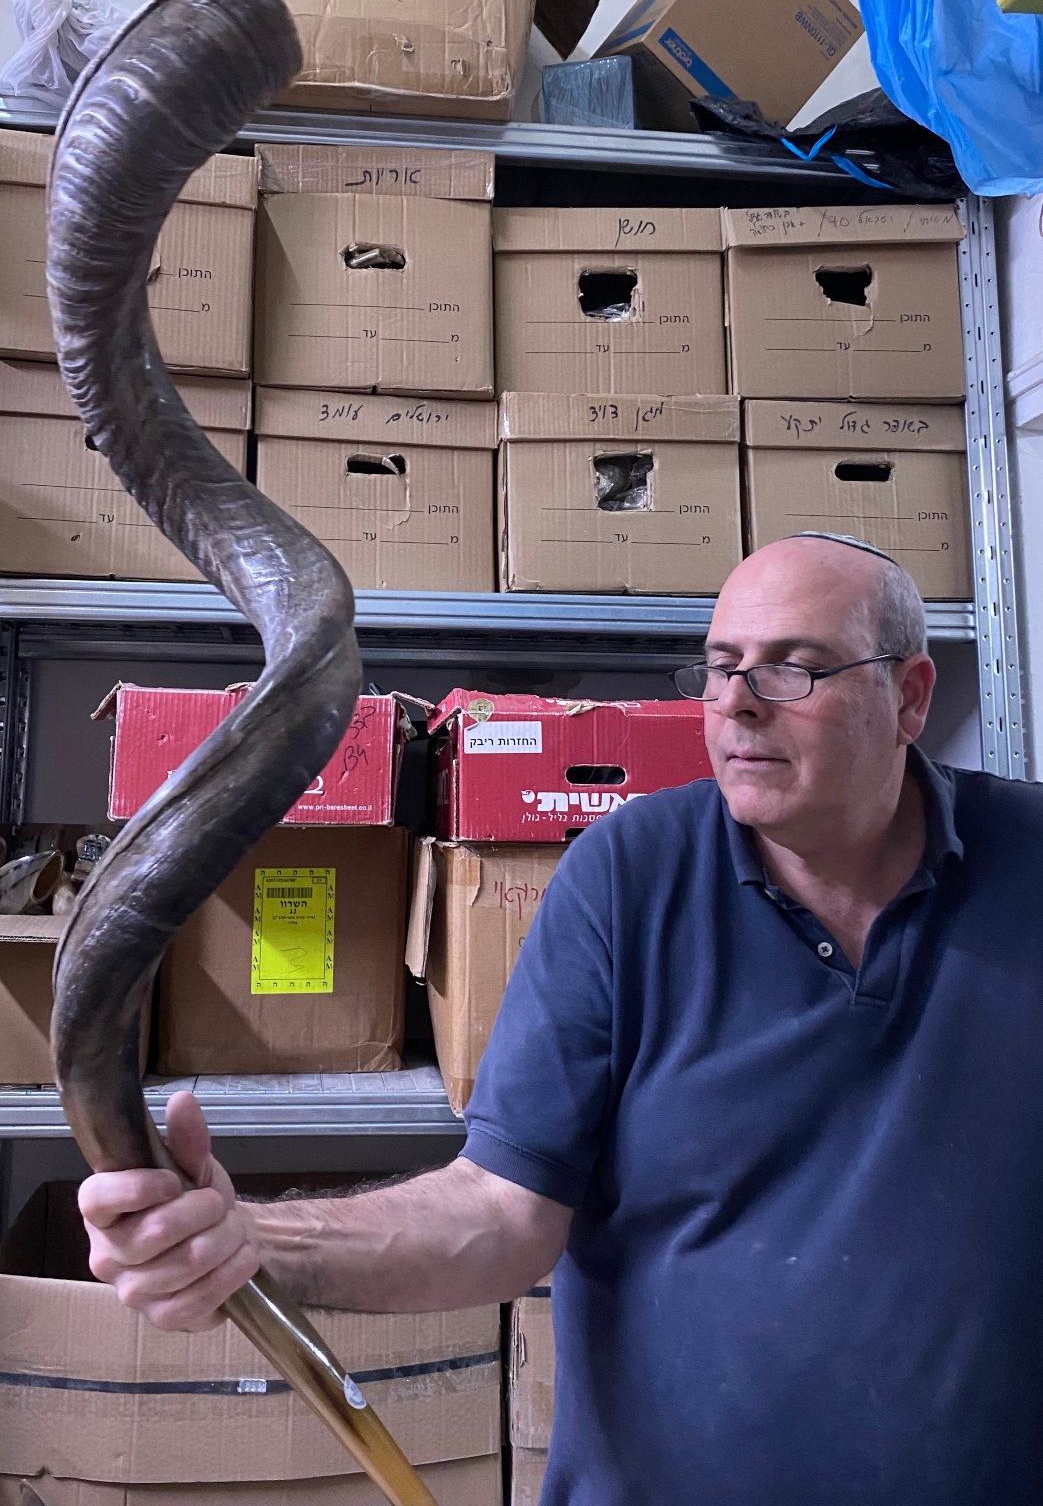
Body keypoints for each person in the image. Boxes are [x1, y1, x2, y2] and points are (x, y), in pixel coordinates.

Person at [79, 532, 1043, 1506]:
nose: (737, 703)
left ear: (910, 696)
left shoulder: (1029, 864)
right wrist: (244, 1243)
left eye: (793, 668)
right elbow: (501, 1212)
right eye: (718, 669)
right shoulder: (626, 877)